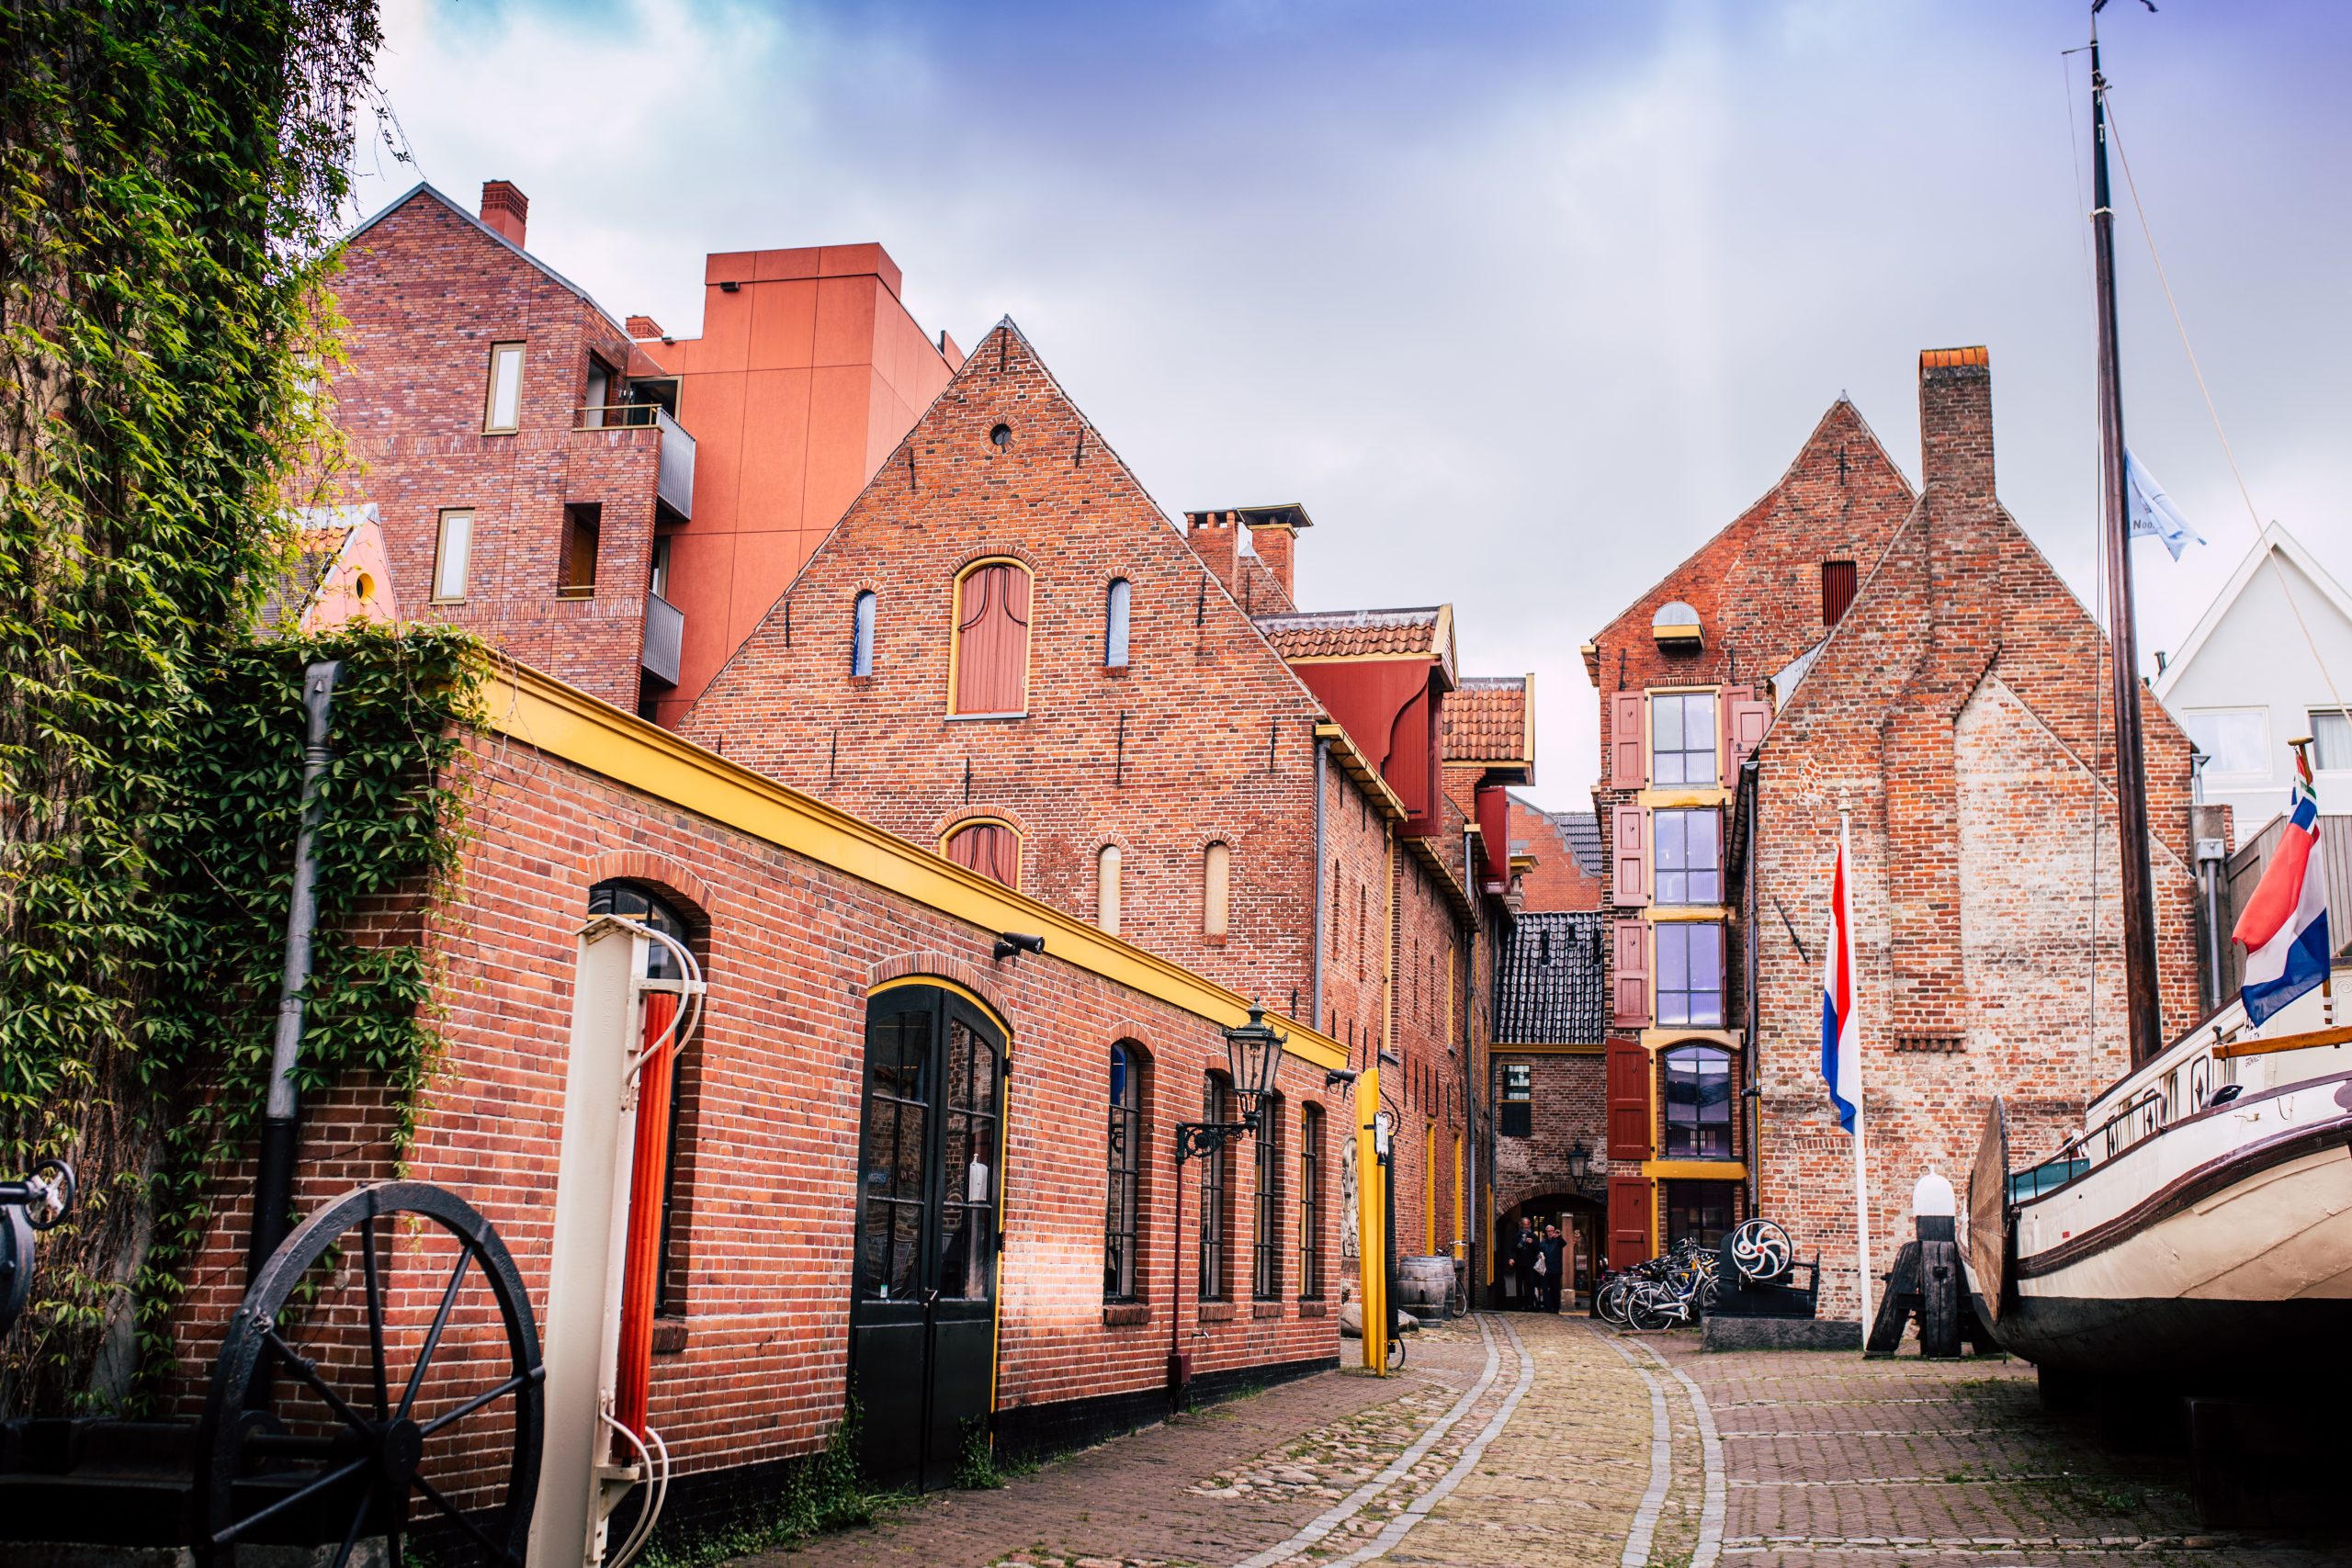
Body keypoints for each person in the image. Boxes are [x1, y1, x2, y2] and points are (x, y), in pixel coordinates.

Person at [1510, 1217, 1539, 1310]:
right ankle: (1520, 1304)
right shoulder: (1517, 1236)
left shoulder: (1533, 1236)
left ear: (1530, 1225)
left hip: (1530, 1264)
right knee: (1519, 1284)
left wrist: (1532, 1243)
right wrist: (1511, 1258)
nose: (1526, 1227)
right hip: (1519, 1263)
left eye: (1527, 1225)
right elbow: (1512, 1248)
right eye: (1524, 1225)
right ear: (1521, 1225)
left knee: (1530, 1284)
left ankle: (1530, 1304)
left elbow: (1538, 1249)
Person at [1539, 1223, 1568, 1313]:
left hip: (1556, 1270)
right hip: (1546, 1270)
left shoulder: (1558, 1241)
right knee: (1545, 1290)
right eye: (1548, 1231)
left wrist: (1558, 1236)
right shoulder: (1543, 1242)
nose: (1550, 1233)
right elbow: (1539, 1251)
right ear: (1546, 1232)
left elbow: (1564, 1244)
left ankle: (1556, 1308)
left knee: (1555, 1290)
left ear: (1554, 1231)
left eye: (1551, 1231)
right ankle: (1547, 1308)